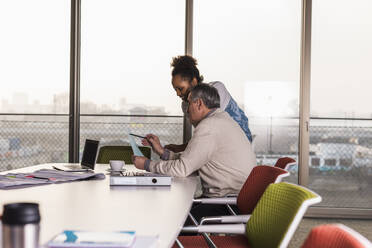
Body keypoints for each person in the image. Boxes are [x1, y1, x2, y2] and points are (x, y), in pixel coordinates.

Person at [132, 83, 256, 221]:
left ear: (199, 103)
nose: (186, 111)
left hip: (228, 205)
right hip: (237, 200)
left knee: (170, 219)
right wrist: (162, 152)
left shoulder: (209, 126)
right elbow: (194, 160)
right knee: (174, 209)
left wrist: (147, 164)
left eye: (189, 103)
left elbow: (183, 168)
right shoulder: (221, 119)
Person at [164, 55, 253, 153]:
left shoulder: (216, 89)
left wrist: (181, 149)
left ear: (193, 81)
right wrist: (179, 148)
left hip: (240, 146)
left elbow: (210, 133)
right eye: (175, 89)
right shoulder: (186, 105)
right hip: (220, 147)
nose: (177, 94)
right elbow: (203, 137)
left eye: (180, 88)